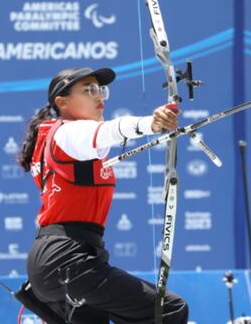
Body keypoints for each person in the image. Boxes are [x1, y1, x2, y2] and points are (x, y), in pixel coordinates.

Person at [17, 67, 189, 324]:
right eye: (89, 90)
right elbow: (110, 130)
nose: (100, 97)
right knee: (167, 309)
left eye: (101, 90)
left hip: (61, 259)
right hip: (67, 258)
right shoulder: (68, 132)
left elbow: (97, 140)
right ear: (62, 102)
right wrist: (150, 123)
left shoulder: (69, 139)